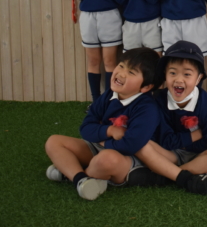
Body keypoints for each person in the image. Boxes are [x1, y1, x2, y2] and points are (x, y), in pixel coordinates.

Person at [44, 48, 160, 200]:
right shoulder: (109, 95)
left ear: (146, 87)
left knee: (106, 159)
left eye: (131, 72)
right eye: (121, 65)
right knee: (54, 142)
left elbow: (130, 145)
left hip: (126, 158)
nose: (121, 73)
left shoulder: (147, 109)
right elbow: (85, 129)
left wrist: (103, 142)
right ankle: (80, 179)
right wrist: (109, 130)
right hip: (101, 147)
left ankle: (70, 172)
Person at [134, 41, 207, 197]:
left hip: (199, 155)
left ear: (198, 78)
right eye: (172, 73)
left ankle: (167, 176)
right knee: (141, 143)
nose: (178, 79)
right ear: (165, 74)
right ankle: (188, 174)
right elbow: (165, 141)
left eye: (187, 74)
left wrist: (184, 143)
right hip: (169, 154)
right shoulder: (158, 100)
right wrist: (195, 135)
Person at [70, 0, 122, 103]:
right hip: (87, 18)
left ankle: (109, 100)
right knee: (93, 61)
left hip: (109, 17)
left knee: (109, 61)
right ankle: (95, 101)